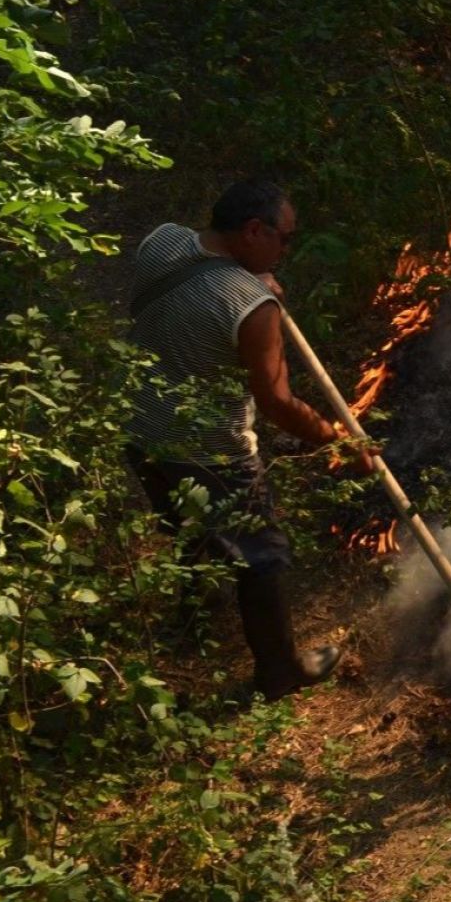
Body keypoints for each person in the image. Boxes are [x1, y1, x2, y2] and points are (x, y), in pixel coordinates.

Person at [126, 179, 359, 698]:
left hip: (140, 428)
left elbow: (198, 282)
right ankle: (279, 673)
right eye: (285, 239)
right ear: (254, 230)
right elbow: (277, 405)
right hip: (210, 451)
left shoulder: (161, 240)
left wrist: (250, 277)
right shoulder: (252, 308)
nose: (287, 251)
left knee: (188, 528)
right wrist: (338, 440)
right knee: (263, 556)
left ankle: (192, 625)